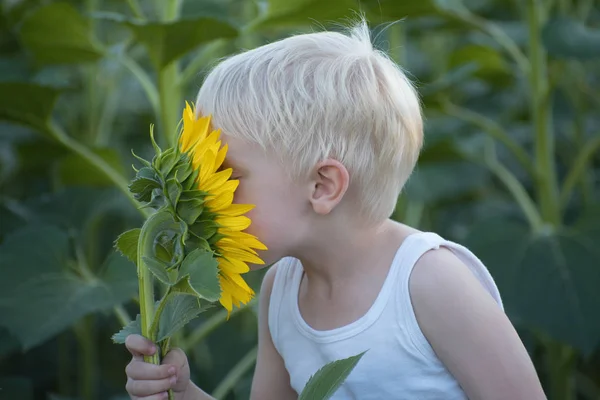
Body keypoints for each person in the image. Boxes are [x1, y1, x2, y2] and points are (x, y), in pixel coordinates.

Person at [123, 20, 547, 400]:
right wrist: (180, 390)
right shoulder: (281, 291)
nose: (204, 192)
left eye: (226, 173)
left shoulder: (428, 282)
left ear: (323, 186)